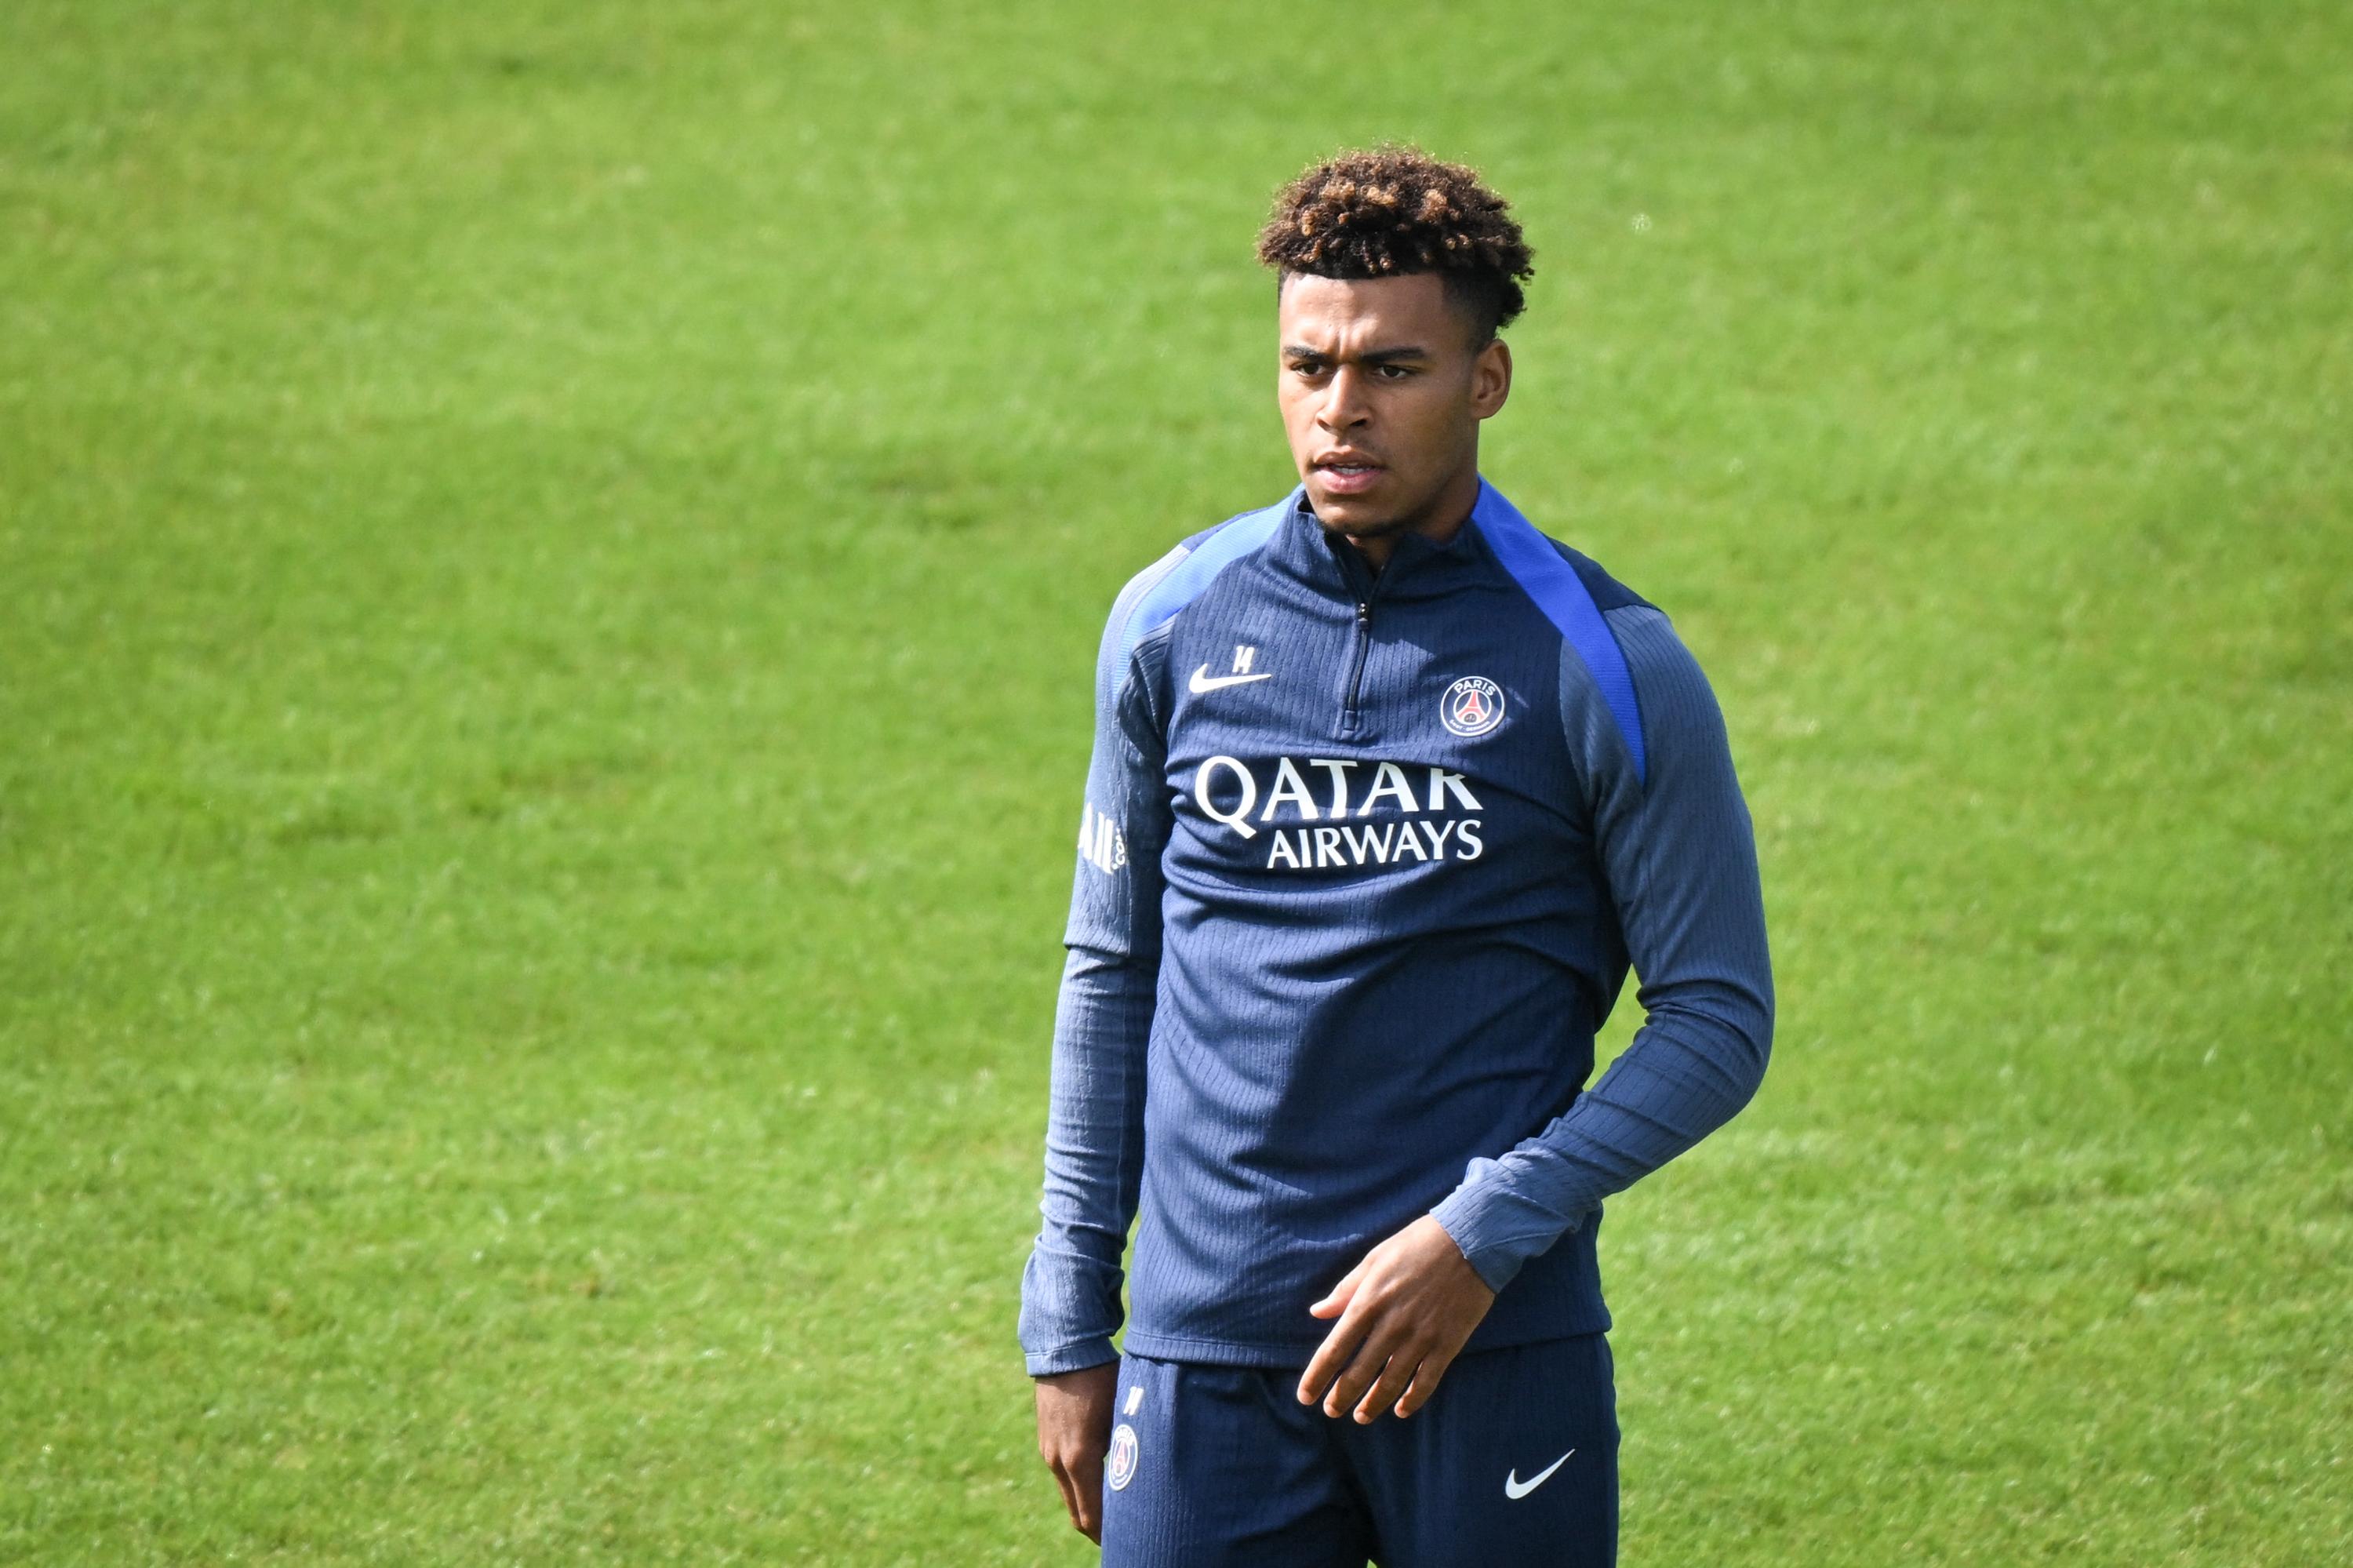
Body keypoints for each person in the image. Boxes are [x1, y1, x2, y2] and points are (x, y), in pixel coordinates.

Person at [1017, 145, 1774, 1566]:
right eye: (1308, 367)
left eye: (1394, 370)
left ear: (1487, 381)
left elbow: (1717, 1018)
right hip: (1204, 1356)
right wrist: (1069, 1308)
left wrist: (1484, 1232)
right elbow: (1112, 972)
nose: (1340, 409)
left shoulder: (1608, 663)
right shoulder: (1169, 623)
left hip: (1490, 1349)